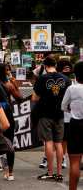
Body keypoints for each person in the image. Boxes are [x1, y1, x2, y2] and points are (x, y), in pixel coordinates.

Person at [32, 55, 71, 182]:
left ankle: (50, 172)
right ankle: (59, 173)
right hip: (60, 114)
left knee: (48, 142)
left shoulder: (42, 78)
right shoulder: (66, 79)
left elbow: (34, 98)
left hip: (45, 114)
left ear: (45, 65)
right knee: (59, 143)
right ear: (55, 65)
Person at [0, 63, 23, 181]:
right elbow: (20, 98)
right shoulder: (8, 84)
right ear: (5, 71)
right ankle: (10, 172)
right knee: (9, 143)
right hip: (7, 115)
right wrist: (14, 84)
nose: (9, 71)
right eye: (7, 70)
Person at [61, 61, 83, 190]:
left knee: (75, 162)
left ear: (76, 74)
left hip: (75, 124)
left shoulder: (72, 88)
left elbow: (63, 106)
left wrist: (71, 110)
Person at [57, 58, 73, 169]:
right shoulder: (57, 79)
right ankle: (47, 157)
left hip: (67, 115)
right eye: (64, 67)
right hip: (58, 113)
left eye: (68, 67)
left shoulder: (73, 80)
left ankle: (63, 157)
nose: (67, 69)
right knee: (55, 138)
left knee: (64, 139)